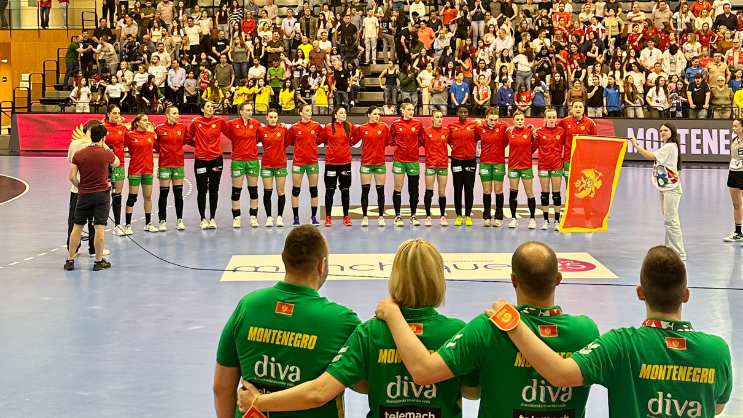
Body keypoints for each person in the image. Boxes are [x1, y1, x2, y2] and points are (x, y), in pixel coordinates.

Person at [237, 238, 480, 417]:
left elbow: (328, 390)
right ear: (438, 279)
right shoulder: (457, 332)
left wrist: (260, 401)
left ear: (396, 276)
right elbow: (472, 391)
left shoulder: (370, 332)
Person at [485, 245, 732, 418]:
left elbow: (560, 374)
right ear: (686, 295)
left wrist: (513, 324)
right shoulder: (717, 351)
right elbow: (717, 407)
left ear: (640, 293)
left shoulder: (621, 345)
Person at [373, 241, 600, 417]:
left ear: (513, 280)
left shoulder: (487, 328)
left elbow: (424, 372)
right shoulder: (587, 331)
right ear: (558, 278)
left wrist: (393, 313)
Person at [213, 225, 362, 418]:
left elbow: (222, 387)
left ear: (283, 257)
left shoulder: (248, 306)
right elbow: (364, 383)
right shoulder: (342, 321)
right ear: (322, 265)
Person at [65, 123, 119, 271]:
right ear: (103, 138)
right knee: (99, 227)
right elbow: (116, 163)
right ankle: (98, 261)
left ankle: (70, 259)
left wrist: (80, 186)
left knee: (77, 226)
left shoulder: (79, 154)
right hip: (101, 194)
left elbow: (71, 176)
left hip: (83, 193)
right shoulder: (106, 153)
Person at [630, 123, 687, 260]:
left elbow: (651, 156)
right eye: (661, 130)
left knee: (671, 221)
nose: (662, 132)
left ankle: (679, 252)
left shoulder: (669, 146)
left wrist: (636, 145)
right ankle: (670, 249)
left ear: (672, 132)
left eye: (666, 130)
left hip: (671, 188)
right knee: (669, 220)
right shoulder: (667, 146)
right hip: (665, 186)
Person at [185, 101, 227, 230]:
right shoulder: (196, 122)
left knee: (214, 190)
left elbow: (231, 134)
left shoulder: (219, 121)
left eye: (211, 106)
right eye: (208, 106)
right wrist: (197, 145)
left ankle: (212, 218)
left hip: (216, 159)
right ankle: (203, 218)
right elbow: (188, 138)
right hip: (201, 160)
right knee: (202, 190)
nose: (210, 108)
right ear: (202, 109)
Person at [222, 102, 261, 229]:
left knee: (253, 190)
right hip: (238, 161)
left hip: (252, 160)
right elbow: (220, 127)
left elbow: (262, 135)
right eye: (247, 110)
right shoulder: (232, 124)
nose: (250, 112)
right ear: (241, 112)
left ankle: (253, 217)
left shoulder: (256, 124)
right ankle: (236, 217)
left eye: (251, 110)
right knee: (236, 190)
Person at [350, 106, 390, 227]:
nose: (377, 116)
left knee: (380, 191)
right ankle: (365, 217)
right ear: (369, 115)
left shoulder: (383, 127)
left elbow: (388, 141)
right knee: (365, 191)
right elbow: (353, 141)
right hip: (366, 163)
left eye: (378, 114)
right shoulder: (362, 128)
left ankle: (381, 217)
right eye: (375, 114)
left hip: (379, 162)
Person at [318, 107, 354, 226]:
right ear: (335, 115)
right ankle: (328, 217)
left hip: (345, 163)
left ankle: (346, 216)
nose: (344, 114)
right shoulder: (328, 127)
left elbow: (357, 136)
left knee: (345, 190)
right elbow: (320, 140)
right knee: (330, 189)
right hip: (331, 163)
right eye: (341, 113)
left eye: (345, 112)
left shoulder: (349, 126)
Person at [390, 102, 425, 227]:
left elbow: (421, 140)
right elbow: (391, 138)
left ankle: (413, 215)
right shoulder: (395, 124)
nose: (411, 112)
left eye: (412, 109)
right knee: (398, 188)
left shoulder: (418, 124)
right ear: (403, 110)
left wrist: (413, 148)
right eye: (408, 109)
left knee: (413, 189)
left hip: (413, 161)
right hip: (399, 160)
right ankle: (397, 216)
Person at [122, 114, 157, 235]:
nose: (147, 122)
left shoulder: (151, 135)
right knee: (132, 197)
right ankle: (128, 225)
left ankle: (148, 223)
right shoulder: (129, 135)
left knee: (148, 197)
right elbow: (119, 146)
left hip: (148, 170)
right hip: (135, 170)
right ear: (137, 122)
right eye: (144, 120)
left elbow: (159, 146)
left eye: (148, 120)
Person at [287, 104, 322, 227]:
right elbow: (289, 141)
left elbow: (320, 139)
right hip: (298, 162)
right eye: (307, 110)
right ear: (300, 112)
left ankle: (314, 217)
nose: (309, 112)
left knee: (314, 190)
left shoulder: (316, 126)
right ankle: (296, 218)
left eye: (310, 111)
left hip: (312, 161)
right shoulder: (294, 128)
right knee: (296, 190)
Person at [154, 105, 186, 232]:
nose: (177, 115)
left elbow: (186, 140)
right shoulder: (159, 129)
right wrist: (164, 152)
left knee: (178, 194)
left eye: (178, 113)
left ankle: (180, 220)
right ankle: (162, 221)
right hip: (165, 165)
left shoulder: (182, 127)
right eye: (174, 113)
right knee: (164, 193)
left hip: (178, 164)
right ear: (167, 115)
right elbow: (156, 145)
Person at [447, 106, 479, 226]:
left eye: (465, 112)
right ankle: (459, 215)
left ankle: (468, 215)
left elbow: (478, 137)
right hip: (457, 160)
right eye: (461, 112)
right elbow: (449, 140)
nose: (463, 114)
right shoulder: (451, 126)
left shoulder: (474, 126)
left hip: (470, 161)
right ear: (457, 113)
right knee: (458, 189)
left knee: (469, 189)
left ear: (468, 113)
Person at [505, 112, 538, 229]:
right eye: (517, 119)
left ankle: (532, 219)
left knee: (529, 193)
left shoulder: (529, 131)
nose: (520, 121)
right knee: (513, 192)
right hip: (513, 166)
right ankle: (513, 218)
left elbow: (535, 145)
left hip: (526, 166)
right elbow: (503, 143)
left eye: (521, 119)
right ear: (513, 121)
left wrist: (528, 154)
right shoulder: (509, 132)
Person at [535, 109, 567, 230]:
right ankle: (545, 220)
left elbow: (568, 145)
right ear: (545, 119)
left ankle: (557, 221)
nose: (552, 119)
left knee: (556, 194)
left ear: (556, 118)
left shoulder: (561, 131)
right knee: (545, 193)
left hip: (556, 165)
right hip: (543, 165)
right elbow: (533, 147)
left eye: (554, 117)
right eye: (549, 117)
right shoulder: (539, 132)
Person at [476, 107, 508, 227]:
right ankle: (487, 217)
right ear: (486, 118)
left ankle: (499, 217)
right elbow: (475, 138)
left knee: (498, 190)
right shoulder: (479, 128)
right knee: (487, 191)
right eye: (491, 120)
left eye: (495, 120)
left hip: (498, 162)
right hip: (484, 162)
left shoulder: (503, 128)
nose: (493, 122)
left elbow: (506, 142)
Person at [257, 108, 289, 227]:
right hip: (267, 165)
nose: (273, 119)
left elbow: (287, 142)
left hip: (280, 164)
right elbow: (253, 141)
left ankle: (280, 217)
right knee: (268, 191)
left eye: (275, 117)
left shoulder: (283, 129)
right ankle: (269, 217)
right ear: (267, 117)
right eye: (271, 117)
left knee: (280, 191)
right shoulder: (261, 130)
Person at [102, 106, 128, 236]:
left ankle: (117, 225)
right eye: (114, 113)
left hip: (119, 165)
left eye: (118, 113)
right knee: (103, 195)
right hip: (104, 166)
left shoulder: (123, 129)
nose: (117, 115)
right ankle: (100, 224)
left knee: (117, 195)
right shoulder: (102, 128)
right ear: (108, 114)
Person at [422, 109, 450, 227]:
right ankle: (428, 216)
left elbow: (452, 143)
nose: (439, 119)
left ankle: (442, 216)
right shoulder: (426, 131)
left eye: (441, 117)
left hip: (443, 164)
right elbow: (422, 143)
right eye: (437, 117)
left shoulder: (447, 131)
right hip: (430, 164)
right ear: (432, 119)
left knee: (442, 192)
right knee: (429, 191)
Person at [558, 101, 597, 181]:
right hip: (568, 158)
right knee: (569, 182)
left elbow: (594, 142)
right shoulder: (565, 121)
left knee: (582, 182)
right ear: (571, 109)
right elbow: (555, 132)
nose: (578, 109)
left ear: (583, 109)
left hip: (584, 159)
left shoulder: (590, 123)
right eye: (575, 107)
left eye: (580, 107)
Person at [724, 119, 743, 244]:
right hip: (734, 172)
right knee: (736, 203)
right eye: (733, 126)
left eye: (736, 126)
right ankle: (738, 232)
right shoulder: (735, 140)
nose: (733, 128)